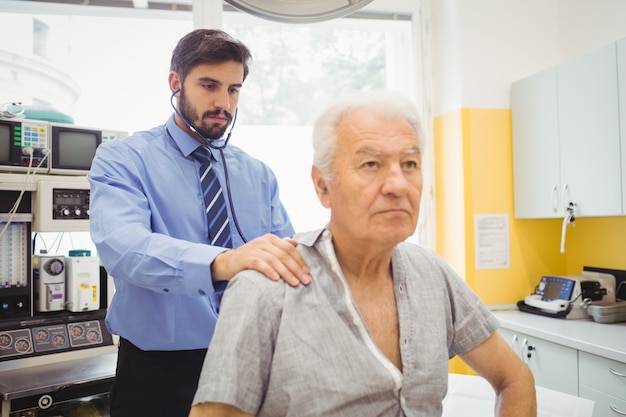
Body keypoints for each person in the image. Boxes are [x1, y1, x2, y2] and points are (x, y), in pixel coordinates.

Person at [188, 90, 537, 417]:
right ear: (322, 185)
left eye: (410, 164)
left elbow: (515, 378)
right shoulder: (264, 291)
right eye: (371, 164)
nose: (398, 185)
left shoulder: (431, 274)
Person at [87, 29, 311, 417]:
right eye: (209, 85)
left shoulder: (258, 174)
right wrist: (222, 262)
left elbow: (284, 260)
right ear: (176, 83)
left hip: (250, 363)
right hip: (159, 374)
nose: (223, 102)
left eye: (234, 90)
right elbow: (123, 247)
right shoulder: (123, 159)